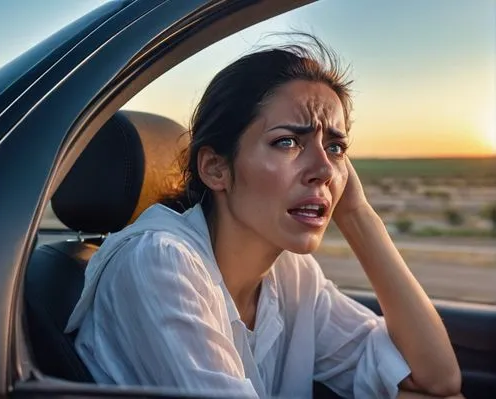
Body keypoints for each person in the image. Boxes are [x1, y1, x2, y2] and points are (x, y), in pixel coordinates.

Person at [65, 35, 463, 399]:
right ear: (216, 168)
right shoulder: (158, 261)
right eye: (287, 142)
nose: (323, 170)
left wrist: (358, 214)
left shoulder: (292, 276)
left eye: (335, 147)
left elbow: (436, 380)